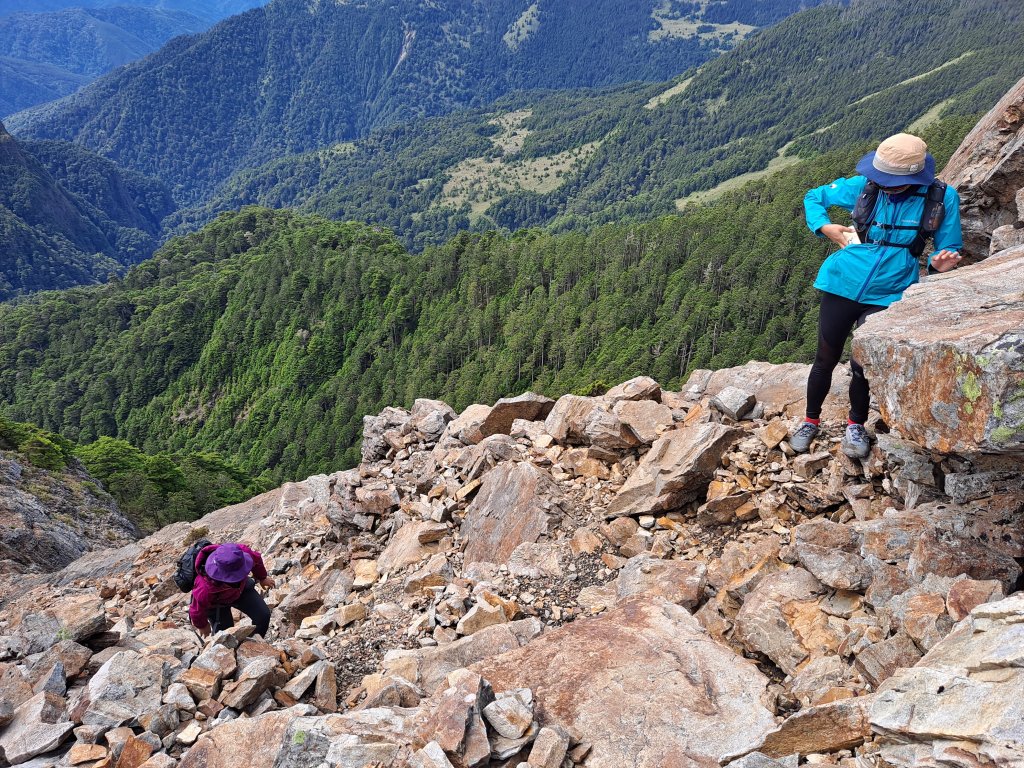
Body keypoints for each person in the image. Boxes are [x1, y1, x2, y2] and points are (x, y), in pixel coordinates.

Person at [791, 133, 963, 458]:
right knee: (825, 358)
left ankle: (854, 425)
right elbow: (814, 197)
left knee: (862, 364)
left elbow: (948, 246)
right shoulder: (865, 186)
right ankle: (810, 420)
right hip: (842, 281)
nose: (884, 185)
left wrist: (941, 262)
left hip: (892, 291)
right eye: (881, 179)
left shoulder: (941, 199)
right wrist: (823, 226)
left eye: (892, 181)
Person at [188, 541, 276, 638]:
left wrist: (262, 578)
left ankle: (255, 642)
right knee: (225, 636)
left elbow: (256, 559)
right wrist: (202, 625)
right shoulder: (204, 586)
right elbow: (196, 609)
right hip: (217, 604)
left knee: (263, 616)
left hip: (241, 590)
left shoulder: (240, 553)